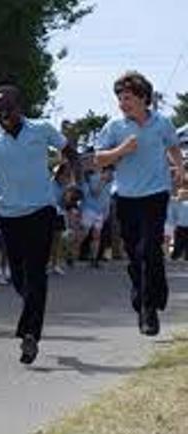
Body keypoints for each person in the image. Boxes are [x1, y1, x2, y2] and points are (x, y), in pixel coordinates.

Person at [0, 84, 71, 364]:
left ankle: (30, 335)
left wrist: (69, 179)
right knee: (19, 278)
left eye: (8, 107)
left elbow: (69, 151)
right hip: (8, 215)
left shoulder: (41, 129)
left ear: (20, 107)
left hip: (41, 210)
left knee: (36, 272)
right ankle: (31, 314)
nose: (3, 113)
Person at [95, 71, 183, 336]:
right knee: (135, 254)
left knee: (149, 250)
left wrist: (179, 167)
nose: (123, 104)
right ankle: (148, 289)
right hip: (125, 197)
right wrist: (120, 150)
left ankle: (148, 312)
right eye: (120, 99)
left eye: (128, 98)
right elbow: (99, 159)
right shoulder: (114, 126)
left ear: (144, 98)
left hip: (155, 195)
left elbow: (173, 147)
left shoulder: (162, 123)